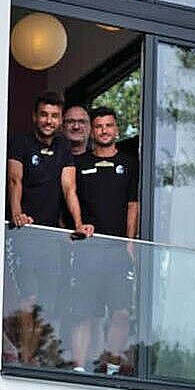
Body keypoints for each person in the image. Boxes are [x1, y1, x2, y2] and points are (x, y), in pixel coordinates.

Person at [61, 104, 140, 374]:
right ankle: (80, 367)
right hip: (88, 250)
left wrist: (131, 242)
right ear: (91, 131)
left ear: (116, 129)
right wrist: (76, 227)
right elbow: (68, 198)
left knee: (120, 312)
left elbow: (133, 205)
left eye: (109, 125)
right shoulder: (80, 162)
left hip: (118, 250)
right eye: (98, 126)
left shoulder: (129, 163)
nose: (104, 131)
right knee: (84, 312)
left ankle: (112, 363)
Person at [4, 92, 71, 365]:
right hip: (25, 234)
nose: (48, 120)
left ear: (60, 120)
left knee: (47, 303)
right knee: (27, 300)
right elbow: (14, 179)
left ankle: (39, 358)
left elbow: (69, 189)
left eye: (54, 116)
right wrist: (17, 213)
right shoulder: (20, 141)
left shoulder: (64, 148)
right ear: (35, 117)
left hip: (51, 239)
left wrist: (76, 226)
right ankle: (25, 357)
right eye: (44, 114)